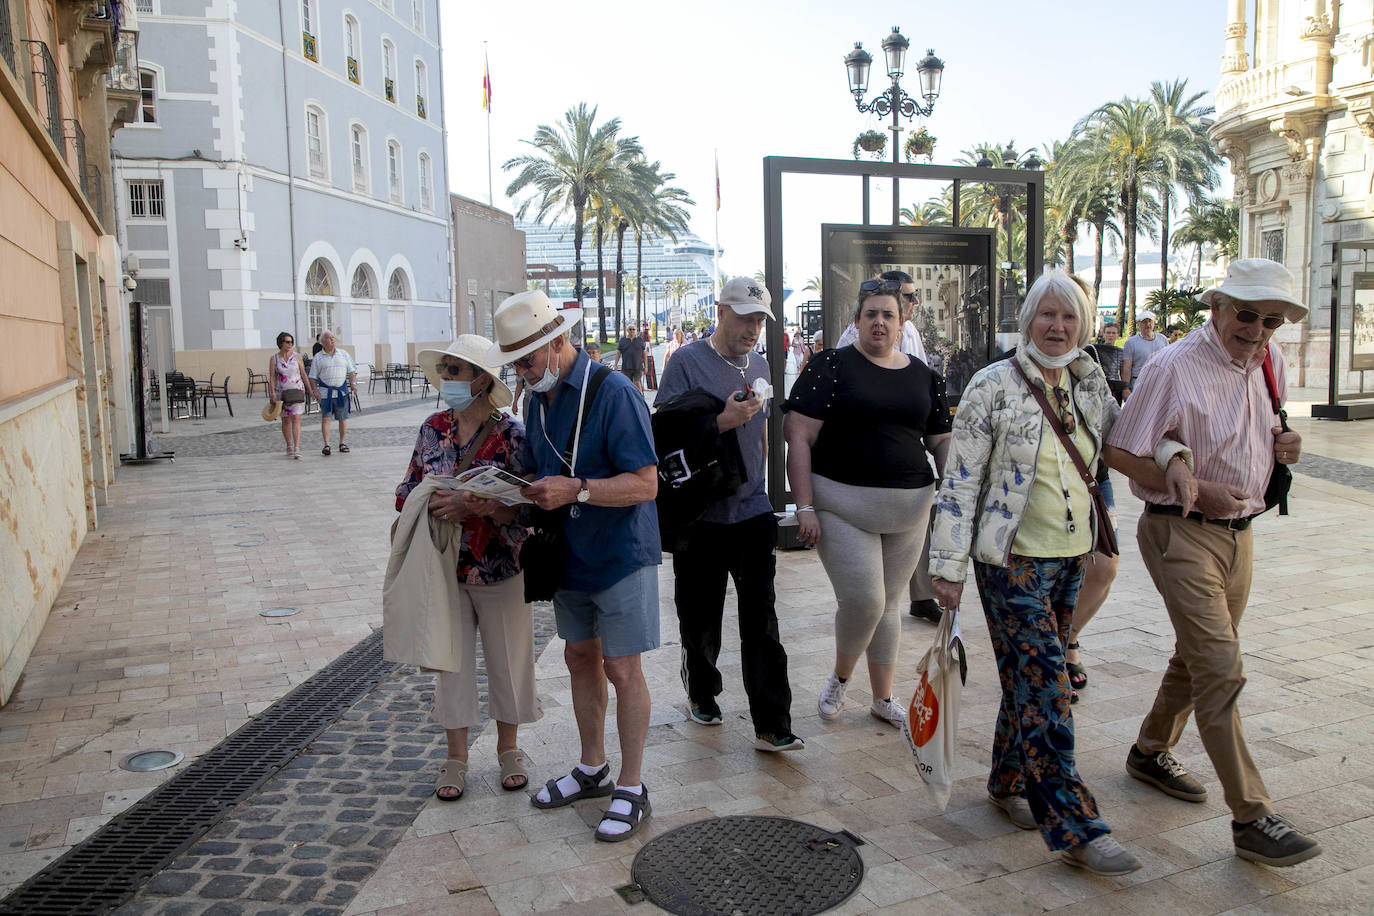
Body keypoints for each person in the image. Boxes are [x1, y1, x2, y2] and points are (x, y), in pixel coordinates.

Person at [1103, 258, 1321, 868]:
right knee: (1221, 669)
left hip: (1241, 535)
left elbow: (1267, 433)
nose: (1256, 330)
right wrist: (1186, 484)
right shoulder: (1173, 366)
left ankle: (1149, 751)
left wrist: (1288, 446)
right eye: (1246, 314)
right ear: (1217, 307)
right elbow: (1120, 450)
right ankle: (1252, 818)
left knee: (1196, 655)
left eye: (1270, 320)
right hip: (1181, 531)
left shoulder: (1268, 363)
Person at [929, 269, 1140, 877]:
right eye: (1047, 315)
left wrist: (1173, 455)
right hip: (1011, 563)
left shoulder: (1087, 381)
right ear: (1027, 321)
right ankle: (1076, 825)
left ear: (1084, 324)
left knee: (1029, 675)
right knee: (1049, 683)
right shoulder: (991, 385)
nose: (1057, 327)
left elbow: (1122, 443)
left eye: (1069, 317)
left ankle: (1006, 780)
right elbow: (960, 479)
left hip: (1071, 557)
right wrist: (947, 568)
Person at [488, 290, 660, 843]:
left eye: (527, 361)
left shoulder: (615, 392)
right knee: (578, 657)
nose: (520, 373)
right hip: (570, 556)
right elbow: (542, 474)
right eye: (514, 363)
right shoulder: (538, 397)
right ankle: (592, 767)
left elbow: (646, 483)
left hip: (620, 554)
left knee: (622, 668)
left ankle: (632, 786)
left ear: (557, 342)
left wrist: (577, 489)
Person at [784, 278, 951, 732]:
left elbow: (941, 442)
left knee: (890, 604)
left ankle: (882, 698)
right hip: (841, 506)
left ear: (902, 323)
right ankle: (840, 677)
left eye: (888, 315)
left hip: (912, 510)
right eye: (871, 314)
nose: (880, 322)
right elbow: (798, 437)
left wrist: (959, 499)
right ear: (856, 321)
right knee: (865, 601)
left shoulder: (923, 375)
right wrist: (804, 507)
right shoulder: (830, 367)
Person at [656, 278, 802, 753]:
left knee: (761, 616)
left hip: (752, 511)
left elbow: (759, 435)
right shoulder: (685, 361)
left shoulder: (759, 363)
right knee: (700, 616)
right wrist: (721, 421)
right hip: (700, 515)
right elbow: (663, 434)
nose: (753, 328)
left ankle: (772, 721)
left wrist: (760, 484)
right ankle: (702, 689)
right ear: (720, 312)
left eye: (760, 319)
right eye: (744, 317)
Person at [395, 335, 538, 801]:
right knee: (449, 664)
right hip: (443, 567)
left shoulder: (512, 434)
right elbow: (408, 488)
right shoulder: (432, 428)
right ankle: (455, 757)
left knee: (509, 660)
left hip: (499, 564)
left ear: (481, 380)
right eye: (445, 370)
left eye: (455, 371)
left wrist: (480, 505)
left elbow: (527, 505)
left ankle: (510, 750)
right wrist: (432, 500)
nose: (446, 379)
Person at [835, 269, 929, 365]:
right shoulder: (852, 337)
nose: (916, 301)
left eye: (916, 294)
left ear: (900, 323)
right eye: (910, 296)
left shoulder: (910, 329)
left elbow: (923, 370)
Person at [307, 332, 356, 456]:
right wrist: (315, 390)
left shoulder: (343, 354)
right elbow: (312, 377)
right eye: (329, 338)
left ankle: (342, 443)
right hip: (325, 394)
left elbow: (351, 371)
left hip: (341, 392)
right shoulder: (318, 357)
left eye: (333, 338)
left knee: (343, 419)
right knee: (326, 418)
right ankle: (326, 444)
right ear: (323, 342)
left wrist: (353, 385)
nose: (332, 340)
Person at [268, 331, 307, 459]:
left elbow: (303, 374)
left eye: (291, 342)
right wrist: (272, 393)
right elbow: (272, 378)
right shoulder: (274, 359)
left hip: (297, 391)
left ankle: (296, 447)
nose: (290, 344)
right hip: (282, 393)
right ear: (281, 343)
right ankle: (288, 445)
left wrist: (310, 389)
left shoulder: (297, 357)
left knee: (296, 418)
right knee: (285, 420)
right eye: (287, 342)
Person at [1120, 310, 1167, 397]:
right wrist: (1125, 388)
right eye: (1144, 322)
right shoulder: (1131, 343)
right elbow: (1127, 367)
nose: (1148, 324)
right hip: (1138, 382)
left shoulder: (1163, 339)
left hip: (1159, 382)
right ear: (1138, 324)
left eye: (1150, 321)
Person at [613, 324, 647, 393]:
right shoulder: (623, 340)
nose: (632, 331)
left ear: (636, 331)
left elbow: (644, 353)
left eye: (633, 329)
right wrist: (615, 364)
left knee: (637, 382)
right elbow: (618, 353)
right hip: (626, 367)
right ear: (627, 330)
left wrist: (646, 366)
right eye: (630, 329)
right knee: (627, 384)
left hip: (637, 366)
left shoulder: (639, 340)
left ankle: (640, 397)